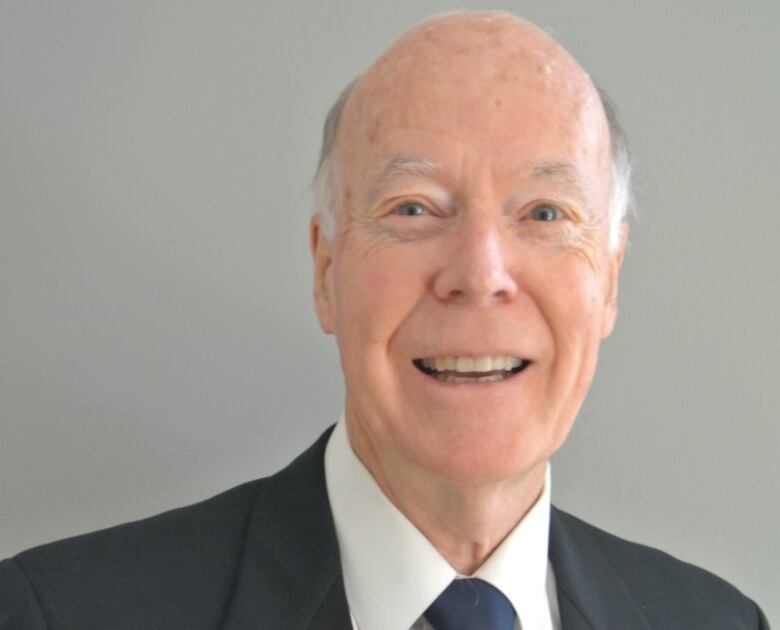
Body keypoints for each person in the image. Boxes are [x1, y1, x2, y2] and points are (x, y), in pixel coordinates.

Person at [0, 10, 769, 630]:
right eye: (414, 208)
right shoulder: (57, 613)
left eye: (544, 212)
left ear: (609, 280)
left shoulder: (719, 621)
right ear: (327, 269)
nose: (478, 275)